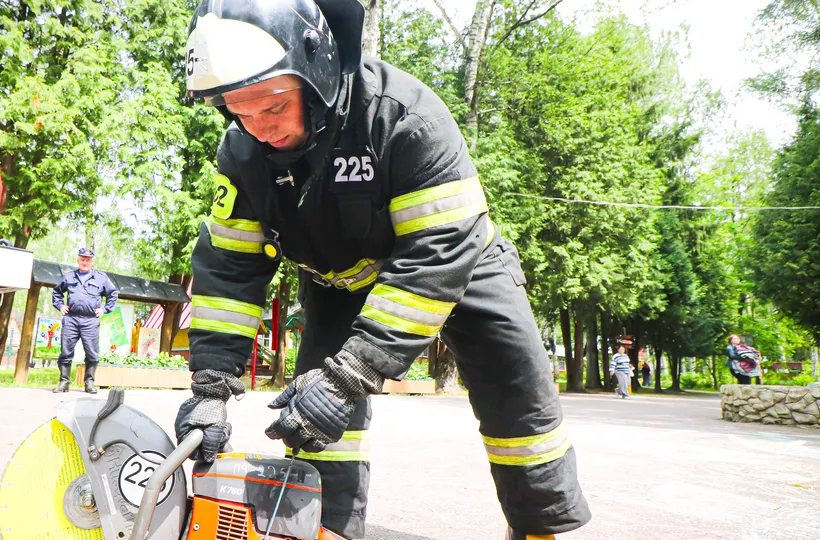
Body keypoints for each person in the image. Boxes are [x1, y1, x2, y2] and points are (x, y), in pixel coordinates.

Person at [174, 1, 590, 539]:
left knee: (520, 407)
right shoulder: (243, 152)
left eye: (272, 108)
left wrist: (353, 372)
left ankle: (538, 530)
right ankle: (328, 530)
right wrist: (210, 385)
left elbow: (436, 251)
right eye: (238, 112)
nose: (257, 129)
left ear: (316, 71)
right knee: (317, 423)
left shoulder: (405, 117)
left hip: (461, 265)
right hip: (338, 282)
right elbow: (231, 268)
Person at [51, 247, 118, 393]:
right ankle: (64, 383)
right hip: (71, 320)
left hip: (90, 321)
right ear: (78, 260)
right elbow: (57, 292)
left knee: (92, 353)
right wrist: (60, 305)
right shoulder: (69, 277)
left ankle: (89, 383)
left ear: (92, 261)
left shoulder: (101, 278)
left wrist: (105, 309)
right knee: (65, 352)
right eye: (82, 259)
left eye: (88, 260)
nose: (85, 262)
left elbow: (113, 294)